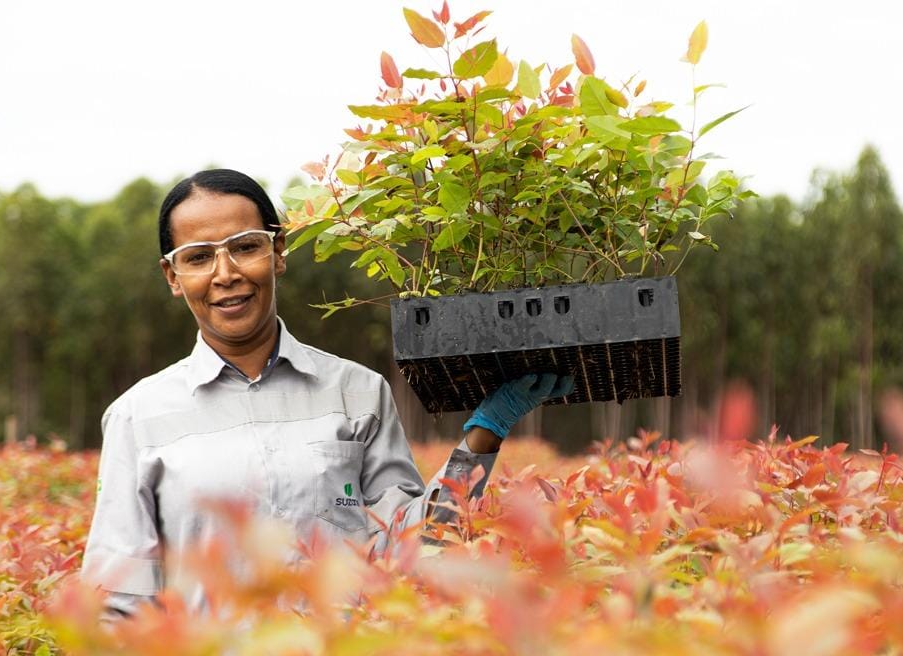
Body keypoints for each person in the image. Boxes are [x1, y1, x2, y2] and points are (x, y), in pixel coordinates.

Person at [80, 169, 573, 616]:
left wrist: (483, 435)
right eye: (199, 257)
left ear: (278, 253)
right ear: (173, 276)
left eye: (246, 246)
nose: (225, 273)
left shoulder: (357, 391)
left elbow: (412, 545)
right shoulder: (136, 416)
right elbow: (119, 602)